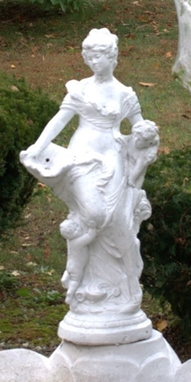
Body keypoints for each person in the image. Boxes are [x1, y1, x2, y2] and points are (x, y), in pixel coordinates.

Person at [20, 29, 158, 316]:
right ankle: (81, 278)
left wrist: (147, 138)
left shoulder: (125, 94)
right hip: (82, 157)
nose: (93, 61)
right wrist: (37, 147)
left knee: (119, 225)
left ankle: (126, 291)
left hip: (115, 159)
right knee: (93, 215)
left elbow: (141, 129)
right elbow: (59, 121)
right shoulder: (80, 89)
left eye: (99, 56)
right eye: (89, 56)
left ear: (113, 57)